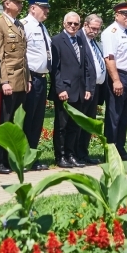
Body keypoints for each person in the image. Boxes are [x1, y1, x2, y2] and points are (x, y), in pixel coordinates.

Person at [0, 0, 29, 174]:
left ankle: (6, 159)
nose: (20, 5)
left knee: (12, 122)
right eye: (17, 2)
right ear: (7, 4)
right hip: (7, 82)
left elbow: (23, 56)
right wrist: (3, 81)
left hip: (20, 80)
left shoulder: (19, 24)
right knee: (2, 121)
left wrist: (27, 78)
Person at [101, 2, 127, 162]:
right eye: (125, 14)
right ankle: (111, 151)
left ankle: (119, 148)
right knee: (114, 116)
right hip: (120, 77)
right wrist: (116, 80)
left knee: (125, 117)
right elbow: (109, 58)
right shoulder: (111, 32)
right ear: (116, 15)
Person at [50, 11, 92, 168]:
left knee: (75, 126)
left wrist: (87, 87)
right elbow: (55, 68)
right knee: (62, 126)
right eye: (70, 23)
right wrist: (60, 88)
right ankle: (60, 156)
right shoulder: (57, 40)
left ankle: (71, 154)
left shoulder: (81, 40)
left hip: (79, 90)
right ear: (64, 23)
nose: (73, 26)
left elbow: (85, 66)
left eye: (76, 24)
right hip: (65, 90)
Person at [20, 0, 53, 171]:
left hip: (41, 78)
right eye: (43, 7)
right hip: (31, 78)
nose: (47, 10)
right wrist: (27, 78)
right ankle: (23, 157)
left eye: (47, 7)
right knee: (28, 118)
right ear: (33, 8)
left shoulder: (42, 27)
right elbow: (22, 54)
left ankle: (31, 156)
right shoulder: (25, 26)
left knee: (37, 120)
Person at [75, 14, 106, 165]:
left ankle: (83, 153)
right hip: (84, 89)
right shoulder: (78, 39)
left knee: (89, 122)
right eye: (93, 28)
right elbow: (80, 68)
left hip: (96, 88)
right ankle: (75, 153)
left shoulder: (95, 43)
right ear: (85, 25)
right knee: (80, 122)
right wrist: (86, 87)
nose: (95, 31)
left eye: (98, 29)